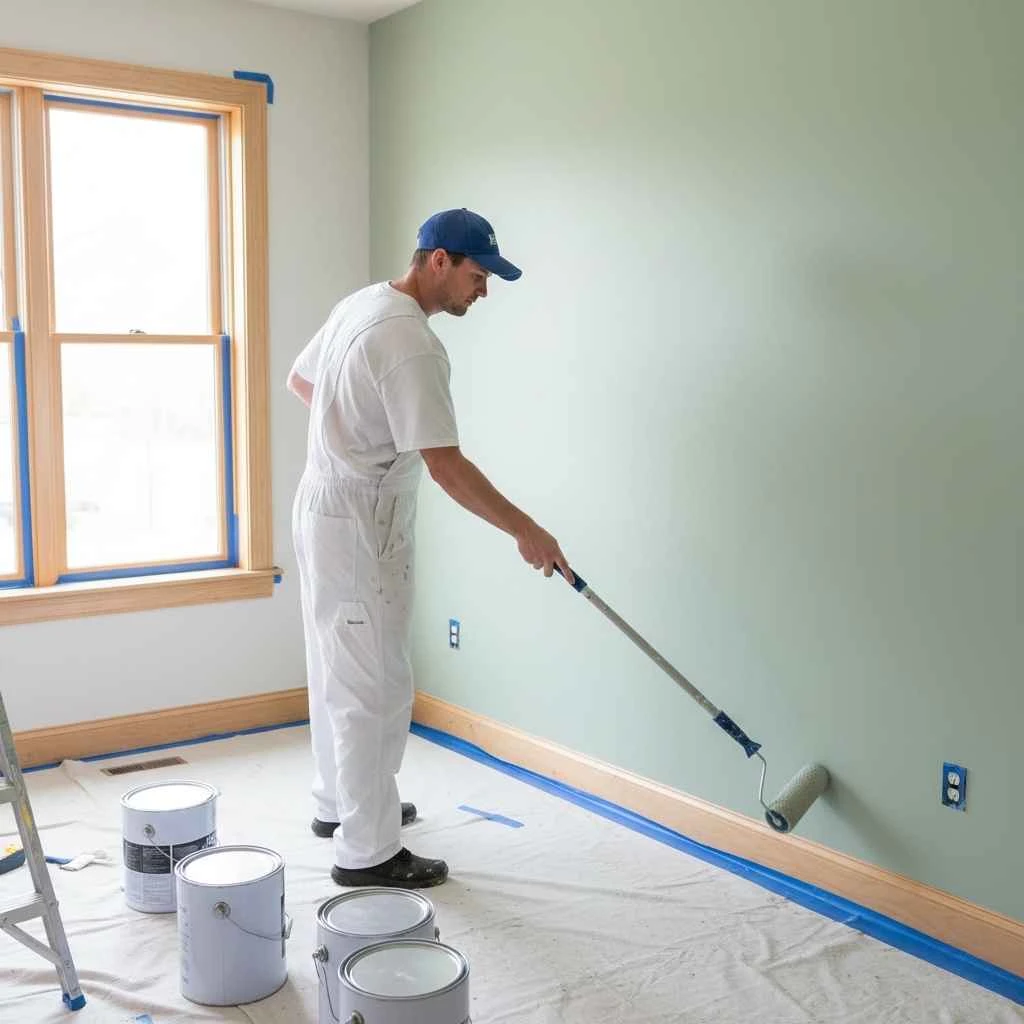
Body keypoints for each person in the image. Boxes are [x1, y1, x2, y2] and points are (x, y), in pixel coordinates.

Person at [288, 207, 572, 888]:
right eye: (478, 275)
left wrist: (349, 439)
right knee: (373, 686)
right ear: (438, 260)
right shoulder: (411, 343)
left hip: (326, 503)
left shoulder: (363, 303)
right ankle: (368, 852)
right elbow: (446, 466)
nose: (484, 290)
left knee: (337, 668)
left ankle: (342, 805)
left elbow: (302, 380)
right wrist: (526, 530)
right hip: (360, 520)